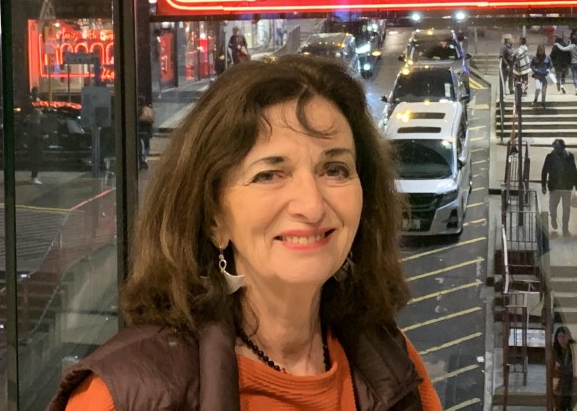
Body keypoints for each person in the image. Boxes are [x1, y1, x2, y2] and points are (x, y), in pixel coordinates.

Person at [48, 55, 442, 410]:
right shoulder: (124, 395)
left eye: (334, 169)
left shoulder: (393, 367)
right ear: (214, 218)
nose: (312, 204)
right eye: (269, 174)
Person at [541, 138, 577, 236]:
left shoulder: (569, 156)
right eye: (555, 148)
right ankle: (553, 218)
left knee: (566, 209)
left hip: (566, 187)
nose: (557, 150)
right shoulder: (549, 157)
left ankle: (565, 228)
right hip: (554, 186)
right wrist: (543, 185)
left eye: (558, 148)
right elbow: (544, 171)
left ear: (563, 148)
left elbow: (574, 171)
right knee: (552, 206)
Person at [552, 326, 577, 410]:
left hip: (572, 384)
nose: (561, 339)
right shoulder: (555, 351)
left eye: (564, 336)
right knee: (560, 406)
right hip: (560, 385)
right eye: (559, 336)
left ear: (568, 337)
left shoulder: (574, 349)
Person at [530, 44, 554, 108]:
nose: (541, 52)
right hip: (537, 76)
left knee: (544, 91)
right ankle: (535, 99)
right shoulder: (535, 58)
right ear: (538, 51)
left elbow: (551, 64)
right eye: (540, 51)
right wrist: (535, 69)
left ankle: (543, 103)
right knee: (538, 88)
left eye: (542, 51)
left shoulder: (547, 57)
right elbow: (531, 65)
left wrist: (548, 69)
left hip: (545, 76)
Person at [27, 107, 45, 185]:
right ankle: (34, 177)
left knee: (36, 160)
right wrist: (43, 137)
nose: (41, 114)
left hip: (35, 145)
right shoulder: (34, 124)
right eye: (40, 112)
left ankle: (34, 176)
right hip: (36, 145)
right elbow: (34, 136)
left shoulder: (34, 123)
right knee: (36, 160)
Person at [137, 97, 155, 170]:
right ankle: (144, 160)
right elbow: (152, 119)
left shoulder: (138, 109)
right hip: (146, 131)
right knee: (146, 147)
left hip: (139, 131)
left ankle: (142, 161)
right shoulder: (148, 109)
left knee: (140, 147)